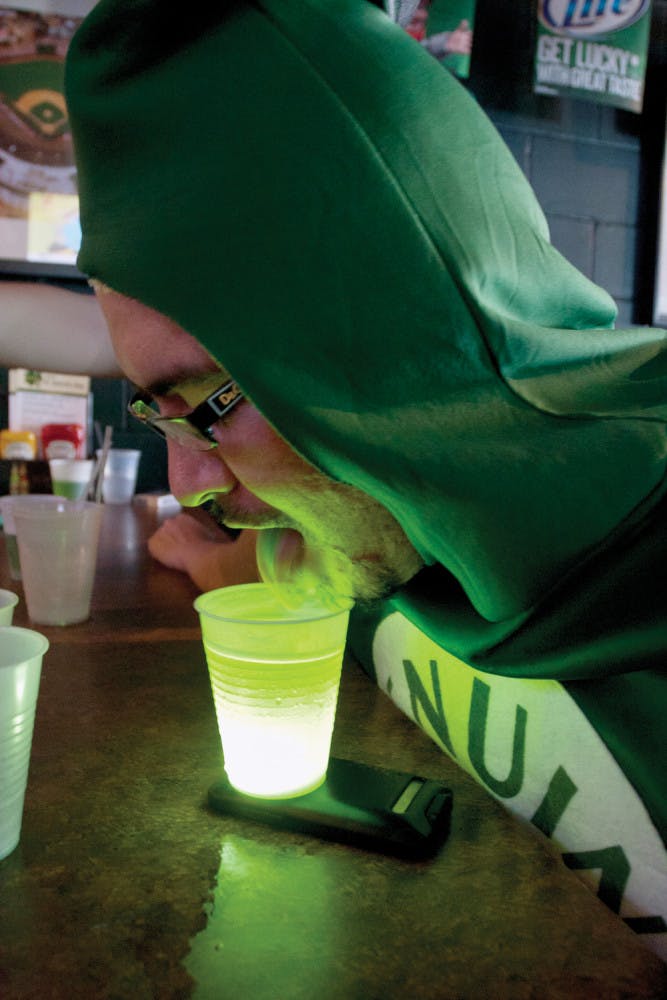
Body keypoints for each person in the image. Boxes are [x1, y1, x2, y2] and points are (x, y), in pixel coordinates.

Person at [60, 0, 667, 957]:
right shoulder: (386, 525)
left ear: (384, 344)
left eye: (209, 403)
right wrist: (215, 562)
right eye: (160, 414)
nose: (189, 482)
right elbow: (293, 580)